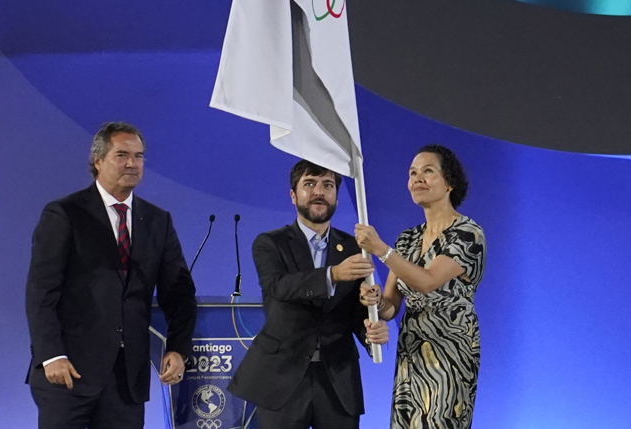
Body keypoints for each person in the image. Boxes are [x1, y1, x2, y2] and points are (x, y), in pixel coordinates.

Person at [25, 121, 197, 429]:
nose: (132, 163)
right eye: (122, 155)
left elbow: (179, 292)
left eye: (139, 156)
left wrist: (177, 348)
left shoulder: (157, 221)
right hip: (68, 370)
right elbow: (41, 291)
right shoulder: (65, 213)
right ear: (98, 161)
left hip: (126, 379)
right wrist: (51, 355)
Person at [228, 160, 390, 429]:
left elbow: (355, 312)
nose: (319, 192)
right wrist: (333, 274)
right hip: (281, 380)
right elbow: (278, 287)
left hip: (338, 379)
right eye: (310, 184)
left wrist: (370, 333)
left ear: (337, 196)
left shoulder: (355, 248)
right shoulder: (270, 243)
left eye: (328, 185)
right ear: (293, 195)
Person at [354, 144, 485, 429]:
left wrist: (380, 249)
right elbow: (391, 307)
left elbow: (427, 281)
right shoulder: (407, 239)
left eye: (428, 171)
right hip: (411, 352)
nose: (417, 179)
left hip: (450, 353)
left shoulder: (468, 233)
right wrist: (374, 300)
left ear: (449, 182)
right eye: (413, 173)